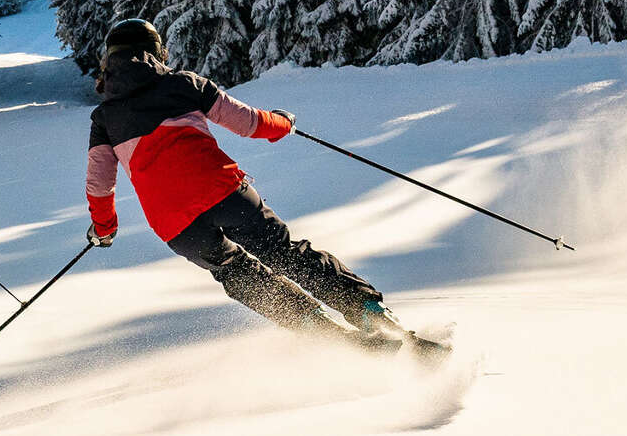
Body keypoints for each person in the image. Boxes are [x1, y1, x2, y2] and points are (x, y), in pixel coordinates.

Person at [83, 18, 429, 352]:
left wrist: (105, 229)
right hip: (222, 193)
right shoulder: (185, 85)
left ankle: (328, 334)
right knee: (284, 253)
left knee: (239, 275)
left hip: (176, 226)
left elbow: (99, 186)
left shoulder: (103, 119)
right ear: (157, 52)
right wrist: (283, 122)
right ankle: (376, 319)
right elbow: (249, 123)